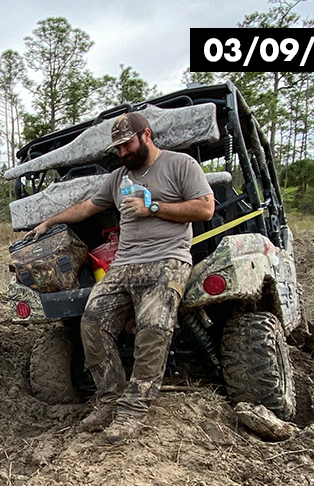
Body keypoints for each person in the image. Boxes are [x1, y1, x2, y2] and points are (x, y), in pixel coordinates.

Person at [26, 112, 214, 442]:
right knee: (92, 324)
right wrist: (48, 222)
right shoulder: (117, 178)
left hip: (167, 260)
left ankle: (133, 410)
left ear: (146, 135)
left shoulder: (180, 165)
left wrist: (153, 208)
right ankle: (110, 399)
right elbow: (87, 207)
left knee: (153, 327)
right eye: (118, 149)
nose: (123, 153)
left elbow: (204, 208)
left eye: (127, 145)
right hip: (125, 264)